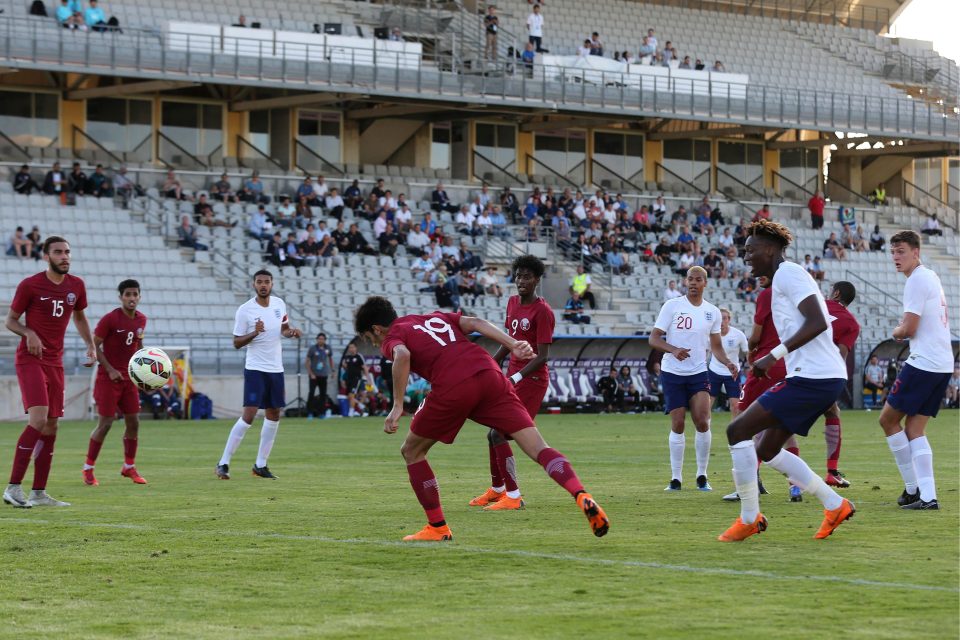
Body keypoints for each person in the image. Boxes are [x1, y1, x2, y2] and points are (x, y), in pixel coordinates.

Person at [354, 295, 609, 541]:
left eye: (369, 338)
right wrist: (513, 344)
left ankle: (437, 527)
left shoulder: (393, 337)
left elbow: (403, 355)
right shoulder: (432, 317)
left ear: (377, 329)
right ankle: (580, 494)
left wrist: (397, 405)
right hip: (489, 372)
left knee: (412, 451)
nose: (374, 344)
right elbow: (475, 322)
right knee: (538, 448)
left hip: (453, 383)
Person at [718, 220, 853, 542]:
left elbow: (818, 322)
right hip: (816, 376)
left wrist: (772, 356)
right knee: (766, 447)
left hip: (815, 377)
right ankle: (835, 504)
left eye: (751, 250)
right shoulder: (780, 281)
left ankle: (750, 517)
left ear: (770, 249)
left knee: (737, 430)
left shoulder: (789, 273)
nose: (746, 256)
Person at [3, 237, 95, 508]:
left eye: (67, 252)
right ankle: (13, 487)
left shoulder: (76, 285)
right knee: (39, 419)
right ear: (46, 256)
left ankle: (39, 493)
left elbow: (79, 317)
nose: (64, 256)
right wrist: (28, 332)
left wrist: (91, 345)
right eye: (58, 252)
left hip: (56, 362)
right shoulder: (30, 285)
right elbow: (10, 320)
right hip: (30, 360)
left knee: (52, 424)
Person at [470, 256, 555, 511]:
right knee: (492, 435)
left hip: (533, 380)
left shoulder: (543, 311)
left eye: (526, 277)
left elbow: (543, 356)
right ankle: (498, 491)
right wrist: (490, 365)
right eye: (518, 276)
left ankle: (514, 496)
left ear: (537, 280)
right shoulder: (511, 303)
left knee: (499, 433)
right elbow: (510, 342)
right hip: (512, 378)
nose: (521, 281)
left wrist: (516, 376)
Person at [878, 230, 953, 511]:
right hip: (942, 363)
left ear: (915, 252)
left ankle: (913, 489)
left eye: (901, 252)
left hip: (924, 363)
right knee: (914, 428)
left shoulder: (917, 280)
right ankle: (927, 496)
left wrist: (896, 330)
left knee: (887, 420)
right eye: (893, 252)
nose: (896, 258)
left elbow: (908, 329)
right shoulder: (929, 276)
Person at [650, 266, 738, 492]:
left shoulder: (713, 312)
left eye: (698, 280)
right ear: (685, 281)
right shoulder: (672, 306)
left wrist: (727, 362)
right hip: (672, 373)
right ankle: (676, 478)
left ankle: (702, 475)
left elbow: (716, 346)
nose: (693, 283)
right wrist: (673, 349)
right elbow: (654, 338)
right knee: (678, 423)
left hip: (699, 372)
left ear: (705, 283)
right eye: (690, 279)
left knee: (702, 421)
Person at [216, 271, 302, 481]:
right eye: (259, 282)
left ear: (272, 284)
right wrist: (255, 332)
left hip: (276, 369)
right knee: (249, 414)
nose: (263, 285)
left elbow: (283, 328)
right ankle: (223, 462)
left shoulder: (279, 304)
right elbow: (236, 342)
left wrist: (290, 332)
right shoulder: (245, 310)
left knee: (274, 415)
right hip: (255, 368)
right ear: (254, 284)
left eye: (266, 282)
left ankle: (260, 465)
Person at [85, 279, 148, 486]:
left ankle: (129, 466)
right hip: (108, 379)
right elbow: (95, 345)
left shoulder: (141, 319)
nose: (132, 298)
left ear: (139, 296)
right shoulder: (110, 319)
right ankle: (88, 469)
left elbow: (139, 345)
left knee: (134, 422)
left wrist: (143, 372)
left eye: (135, 294)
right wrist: (110, 369)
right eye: (128, 294)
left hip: (129, 378)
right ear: (120, 297)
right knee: (106, 424)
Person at [708, 309, 748, 417]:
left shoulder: (738, 335)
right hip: (714, 371)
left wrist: (752, 366)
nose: (721, 321)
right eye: (719, 319)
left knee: (735, 406)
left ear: (729, 320)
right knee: (707, 404)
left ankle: (734, 432)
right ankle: (704, 432)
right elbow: (706, 352)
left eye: (724, 318)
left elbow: (747, 353)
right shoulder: (710, 334)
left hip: (733, 373)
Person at [305, 333, 334, 419]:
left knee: (323, 395)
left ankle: (322, 413)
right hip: (314, 375)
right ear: (317, 339)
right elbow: (307, 361)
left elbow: (330, 359)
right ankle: (310, 413)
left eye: (322, 339)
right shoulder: (312, 348)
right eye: (319, 339)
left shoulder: (328, 348)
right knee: (311, 393)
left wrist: (333, 370)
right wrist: (311, 373)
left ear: (325, 340)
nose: (321, 340)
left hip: (324, 375)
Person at [340, 342, 369, 417]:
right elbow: (346, 368)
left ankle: (351, 412)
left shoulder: (359, 356)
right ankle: (360, 405)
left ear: (356, 348)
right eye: (350, 347)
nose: (351, 349)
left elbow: (364, 368)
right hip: (348, 379)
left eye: (353, 347)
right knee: (350, 396)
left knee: (352, 395)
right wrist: (344, 366)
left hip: (356, 379)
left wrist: (368, 379)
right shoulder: (347, 358)